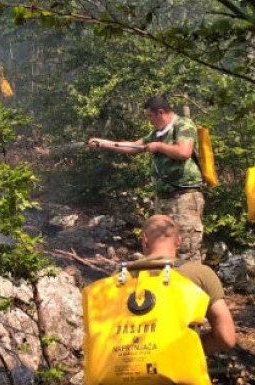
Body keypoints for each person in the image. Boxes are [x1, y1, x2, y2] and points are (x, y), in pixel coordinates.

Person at [119, 214, 236, 385]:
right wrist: (187, 348)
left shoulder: (121, 277)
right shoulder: (198, 274)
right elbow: (227, 337)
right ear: (180, 241)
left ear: (144, 241)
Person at [88, 95, 205, 263]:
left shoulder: (183, 125)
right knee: (162, 247)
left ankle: (192, 285)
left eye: (150, 116)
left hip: (184, 197)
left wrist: (158, 146)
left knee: (186, 248)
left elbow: (184, 152)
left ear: (161, 112)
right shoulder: (156, 133)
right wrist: (103, 143)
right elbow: (135, 146)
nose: (149, 121)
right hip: (163, 198)